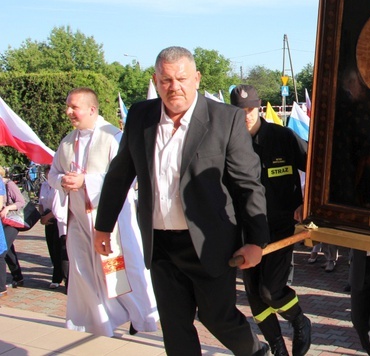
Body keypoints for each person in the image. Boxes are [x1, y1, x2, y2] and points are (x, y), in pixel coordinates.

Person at [93, 47, 270, 355]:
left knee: (218, 318)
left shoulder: (224, 119)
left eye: (181, 78)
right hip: (161, 246)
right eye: (166, 80)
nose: (174, 87)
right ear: (156, 80)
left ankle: (256, 352)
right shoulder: (140, 116)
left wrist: (256, 241)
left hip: (210, 243)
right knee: (175, 328)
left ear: (197, 79)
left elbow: (248, 185)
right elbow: (120, 174)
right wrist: (103, 226)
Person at [48, 87, 159, 336]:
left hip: (113, 221)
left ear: (91, 109)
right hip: (79, 221)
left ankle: (141, 319)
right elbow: (52, 173)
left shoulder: (114, 136)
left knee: (123, 271)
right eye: (68, 106)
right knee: (83, 273)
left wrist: (85, 181)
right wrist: (63, 181)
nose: (68, 112)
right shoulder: (67, 142)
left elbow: (127, 177)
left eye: (73, 107)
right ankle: (96, 323)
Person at [230, 84, 311, 356]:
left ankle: (300, 320)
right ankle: (278, 347)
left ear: (260, 106)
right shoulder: (227, 142)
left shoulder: (282, 137)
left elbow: (315, 166)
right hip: (245, 229)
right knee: (254, 296)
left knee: (270, 289)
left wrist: (306, 203)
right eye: (240, 111)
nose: (246, 116)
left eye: (251, 109)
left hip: (279, 228)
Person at [38, 165, 68, 289]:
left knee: (60, 250)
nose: (48, 176)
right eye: (47, 174)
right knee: (51, 248)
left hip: (57, 220)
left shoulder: (58, 187)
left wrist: (48, 217)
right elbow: (41, 203)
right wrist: (42, 216)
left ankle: (61, 278)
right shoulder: (44, 186)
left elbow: (58, 206)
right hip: (47, 219)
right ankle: (57, 276)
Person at [1, 166, 26, 289]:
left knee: (2, 250)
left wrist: (7, 208)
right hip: (2, 222)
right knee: (8, 249)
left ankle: (2, 285)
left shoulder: (8, 184)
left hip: (12, 221)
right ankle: (18, 276)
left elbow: (21, 202)